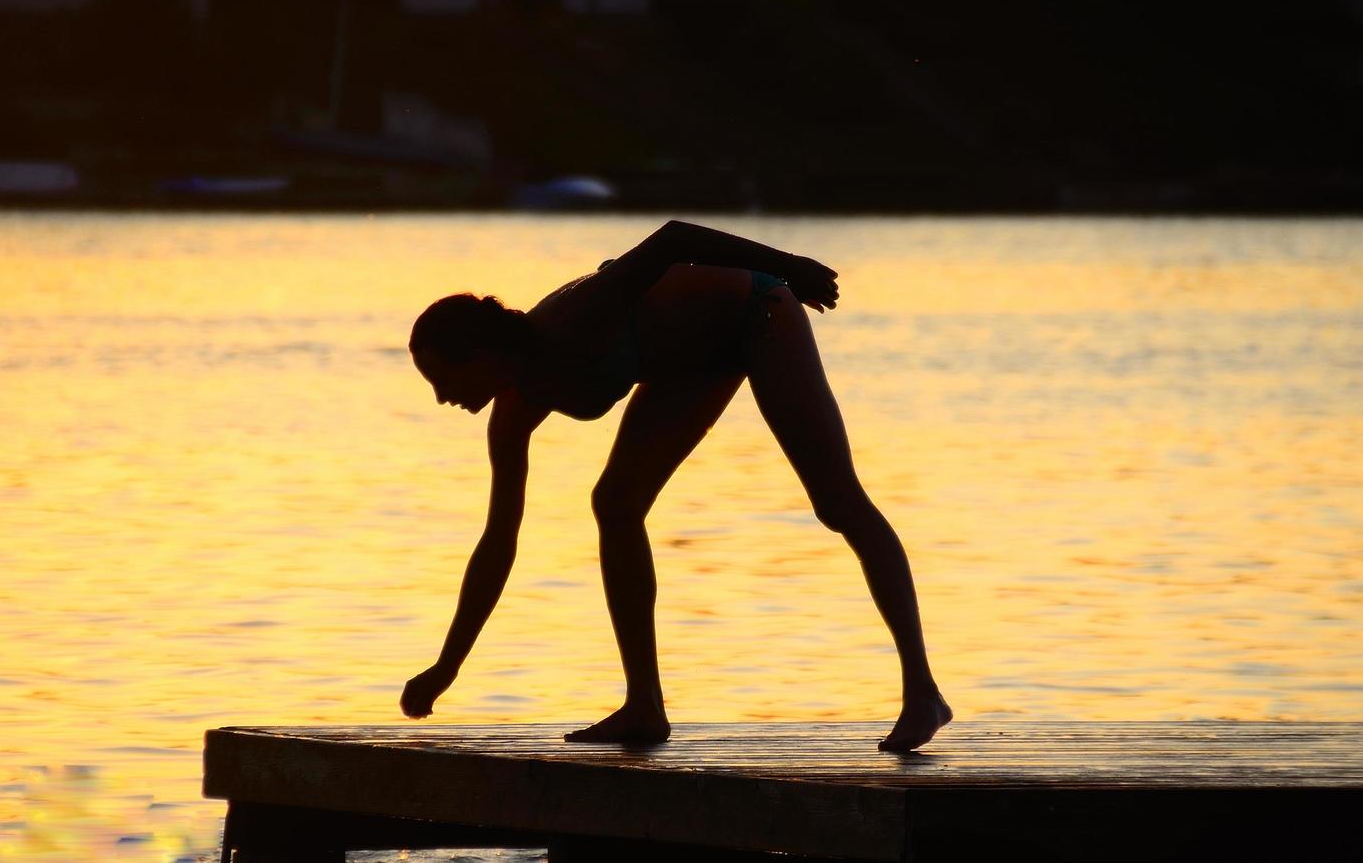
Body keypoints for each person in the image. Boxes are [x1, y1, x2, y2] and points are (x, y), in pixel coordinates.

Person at [399, 220, 952, 751]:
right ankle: (645, 705)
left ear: (484, 353)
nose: (443, 398)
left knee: (837, 502)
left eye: (444, 379)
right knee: (615, 504)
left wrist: (793, 268)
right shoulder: (514, 411)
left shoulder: (571, 323)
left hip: (755, 313)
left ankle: (923, 693)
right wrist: (446, 668)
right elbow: (499, 542)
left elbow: (673, 239)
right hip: (685, 361)